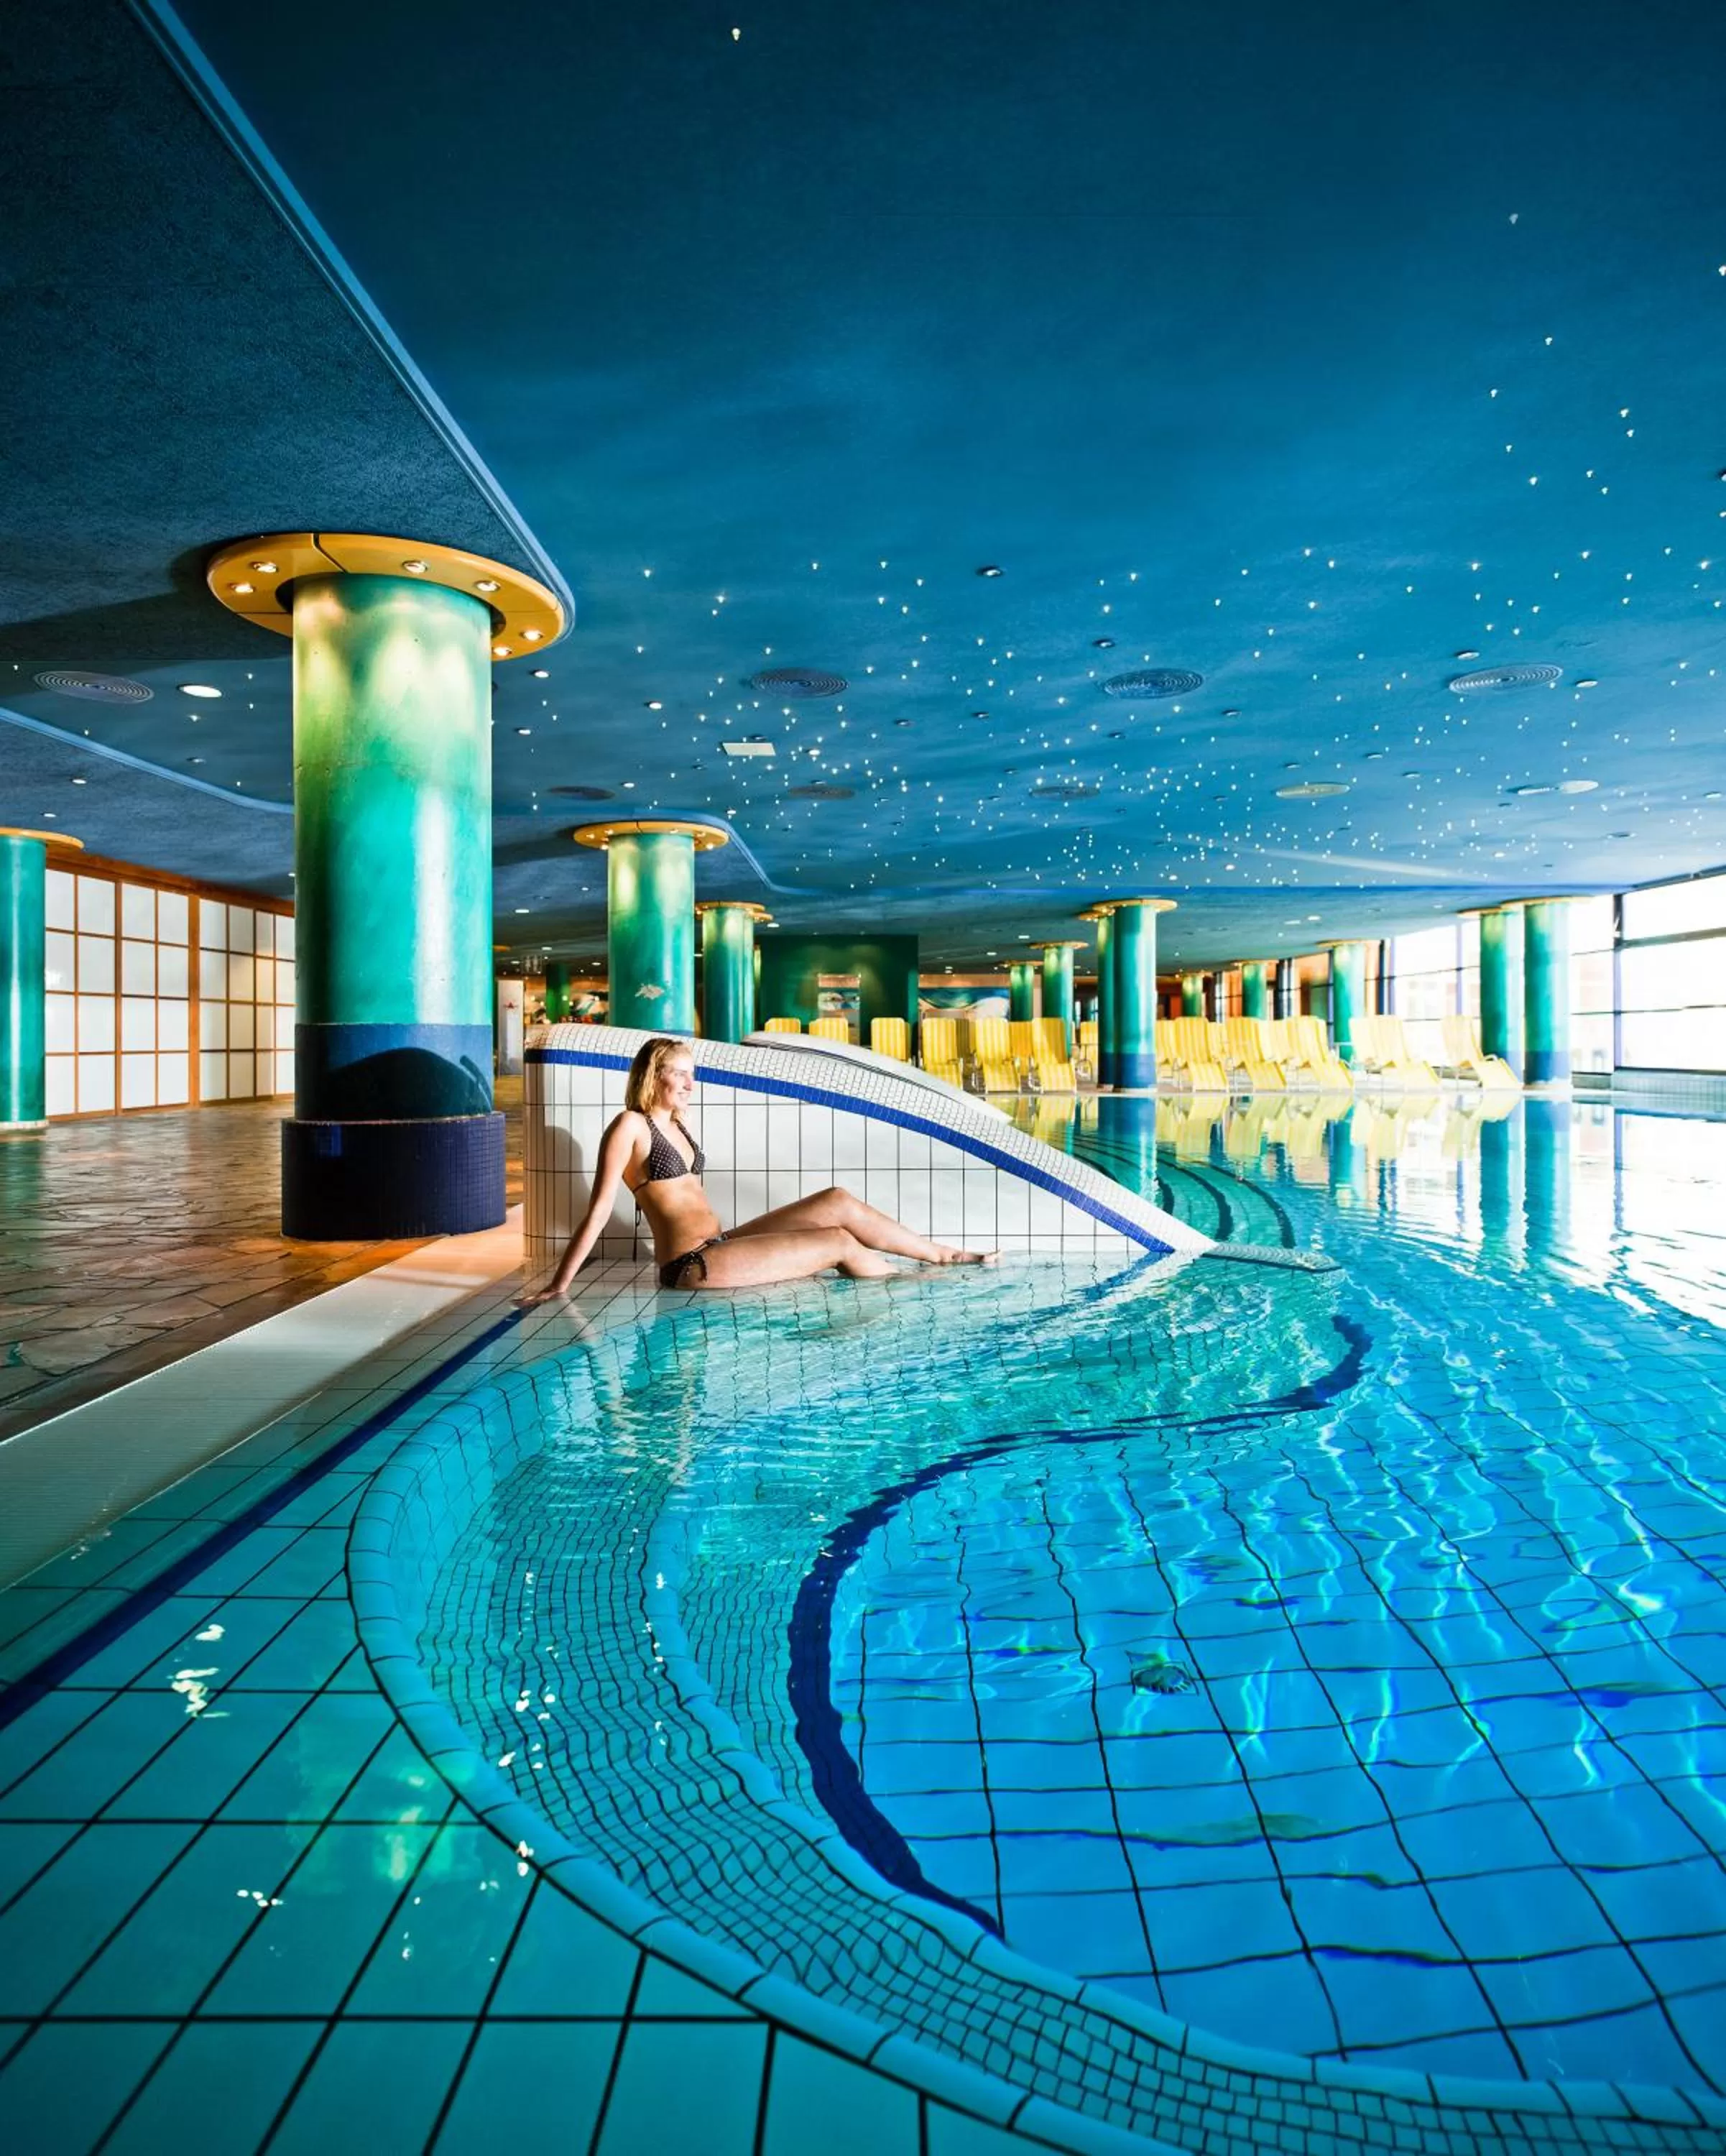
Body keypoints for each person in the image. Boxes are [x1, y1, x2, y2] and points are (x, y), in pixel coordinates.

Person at [523, 1035, 996, 1299]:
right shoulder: (630, 1125)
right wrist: (559, 1285)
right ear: (654, 1076)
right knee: (836, 1242)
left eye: (692, 1072)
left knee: (837, 1203)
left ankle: (942, 1256)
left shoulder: (680, 1125)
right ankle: (910, 1294)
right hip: (691, 1264)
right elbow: (599, 1210)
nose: (691, 1082)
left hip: (722, 1243)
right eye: (679, 1073)